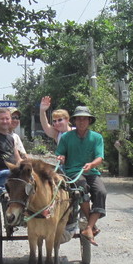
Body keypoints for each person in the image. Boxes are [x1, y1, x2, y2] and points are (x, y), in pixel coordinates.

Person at [56, 105, 106, 246]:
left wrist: (91, 164)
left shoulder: (97, 137)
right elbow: (61, 153)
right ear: (75, 121)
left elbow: (100, 157)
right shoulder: (66, 137)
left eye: (84, 119)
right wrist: (61, 158)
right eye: (78, 119)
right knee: (81, 190)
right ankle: (90, 226)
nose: (81, 122)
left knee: (101, 192)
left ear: (89, 121)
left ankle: (89, 227)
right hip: (73, 172)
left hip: (92, 171)